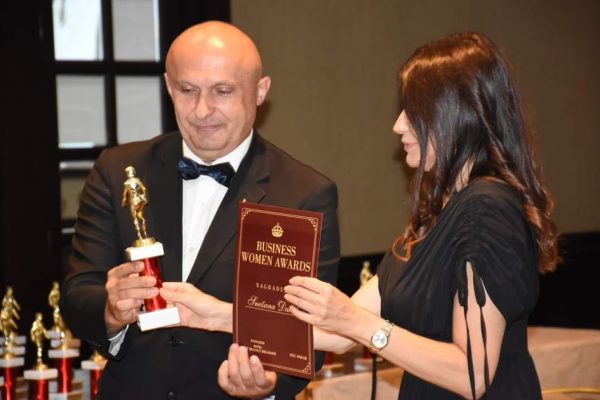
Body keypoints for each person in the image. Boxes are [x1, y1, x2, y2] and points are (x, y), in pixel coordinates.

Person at [170, 32, 559, 399]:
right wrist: (218, 316)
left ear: (458, 116)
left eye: (414, 111)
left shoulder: (486, 208)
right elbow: (339, 333)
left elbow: (472, 375)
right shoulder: (441, 213)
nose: (398, 124)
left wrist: (357, 323)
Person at [61, 21, 340, 399]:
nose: (202, 110)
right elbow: (78, 294)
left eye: (222, 91)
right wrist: (110, 311)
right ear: (168, 86)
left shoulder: (304, 193)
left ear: (260, 91)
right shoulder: (118, 171)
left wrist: (269, 385)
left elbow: (310, 331)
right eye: (187, 90)